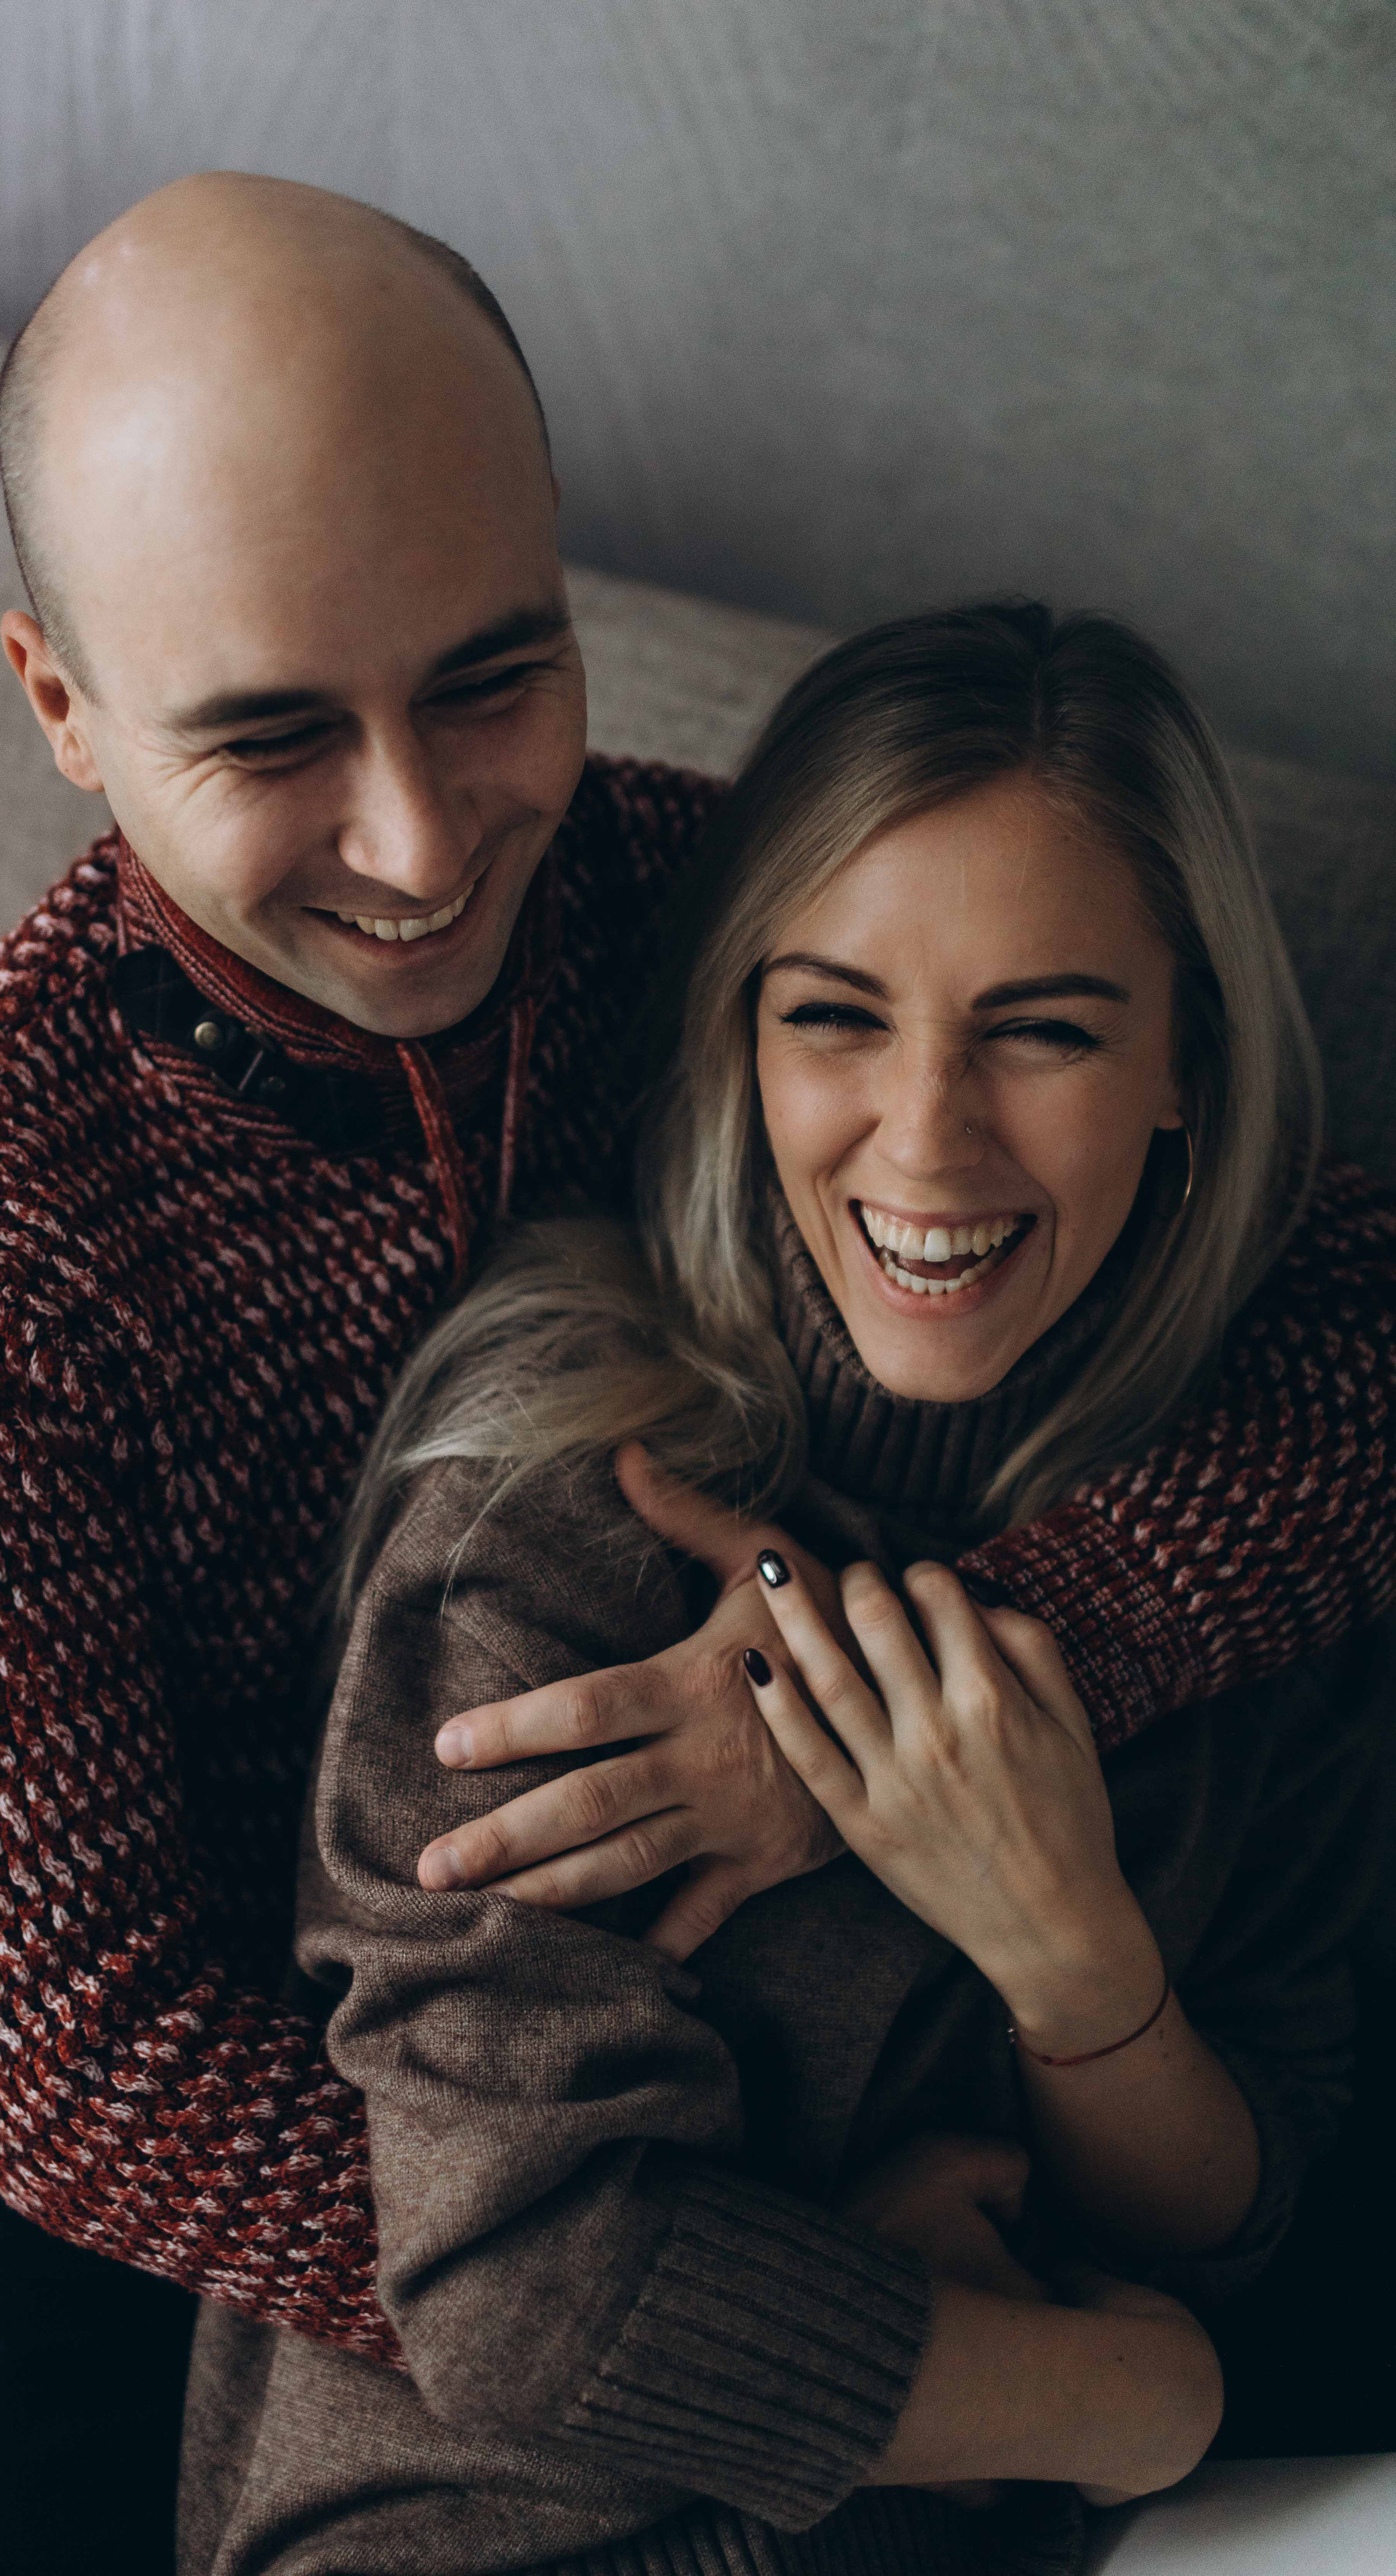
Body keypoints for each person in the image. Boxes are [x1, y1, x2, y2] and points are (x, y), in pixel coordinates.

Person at [0, 172, 1394, 2575]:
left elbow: (1336, 1312)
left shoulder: (697, 910)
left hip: (619, 1990)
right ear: (60, 706)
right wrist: (778, 2309)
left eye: (491, 676)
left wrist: (907, 1718)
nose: (420, 843)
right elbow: (96, 2068)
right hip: (73, 2101)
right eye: (273, 734)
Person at [179, 603, 1393, 2576]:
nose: (927, 1138)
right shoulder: (553, 1524)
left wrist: (1070, 1951)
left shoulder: (1264, 1541)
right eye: (835, 1012)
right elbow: (530, 2295)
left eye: (1048, 1028)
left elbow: (1245, 2204)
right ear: (740, 1036)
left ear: (1189, 1061)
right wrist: (1123, 2401)